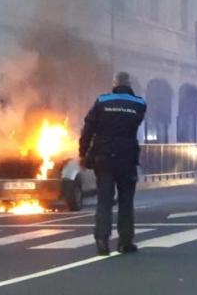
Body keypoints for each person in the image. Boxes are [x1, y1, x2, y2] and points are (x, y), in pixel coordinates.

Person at [79, 71, 146, 256]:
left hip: (104, 157)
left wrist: (83, 153)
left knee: (104, 201)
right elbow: (136, 123)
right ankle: (125, 242)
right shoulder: (139, 103)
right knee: (126, 201)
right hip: (127, 157)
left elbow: (88, 128)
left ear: (114, 84)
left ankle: (102, 241)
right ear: (130, 84)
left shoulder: (102, 101)